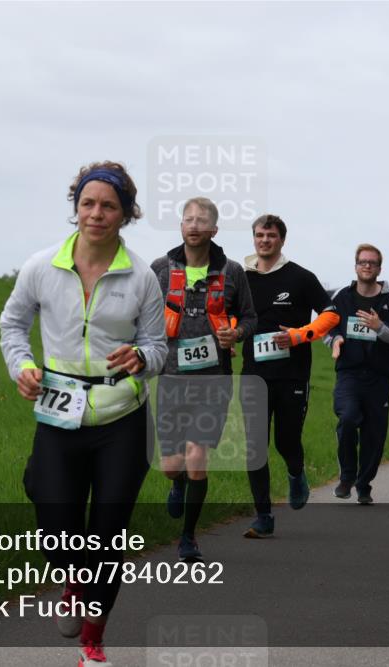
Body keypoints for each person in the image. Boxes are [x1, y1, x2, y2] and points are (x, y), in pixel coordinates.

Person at [0, 161, 167, 667]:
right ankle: (71, 576)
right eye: (88, 203)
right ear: (76, 207)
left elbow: (157, 345)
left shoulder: (142, 276)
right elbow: (12, 325)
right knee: (55, 522)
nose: (97, 213)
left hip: (123, 416)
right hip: (57, 412)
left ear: (125, 214)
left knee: (109, 533)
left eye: (108, 205)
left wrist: (141, 359)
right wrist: (22, 365)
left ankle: (94, 643)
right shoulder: (40, 266)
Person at [152, 196, 257, 562]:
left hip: (214, 380)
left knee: (197, 455)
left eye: (201, 221)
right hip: (171, 377)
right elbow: (144, 318)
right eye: (187, 219)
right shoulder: (160, 270)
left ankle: (188, 538)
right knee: (171, 466)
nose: (193, 225)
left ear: (214, 229)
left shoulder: (232, 272)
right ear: (181, 226)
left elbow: (249, 317)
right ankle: (177, 485)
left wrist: (237, 334)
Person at [240, 214, 339, 538]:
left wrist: (301, 335)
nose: (264, 240)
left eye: (270, 235)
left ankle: (296, 473)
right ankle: (263, 516)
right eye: (259, 235)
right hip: (253, 374)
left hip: (292, 375)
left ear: (282, 240)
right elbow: (227, 315)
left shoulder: (300, 277)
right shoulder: (242, 278)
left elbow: (331, 313)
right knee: (255, 446)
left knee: (286, 440)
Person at [324, 244, 389, 505]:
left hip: (379, 377)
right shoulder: (342, 296)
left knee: (374, 434)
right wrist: (336, 340)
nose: (367, 266)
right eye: (363, 262)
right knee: (348, 418)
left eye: (372, 263)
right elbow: (326, 327)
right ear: (356, 266)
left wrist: (380, 327)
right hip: (349, 373)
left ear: (379, 268)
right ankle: (347, 477)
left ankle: (364, 485)